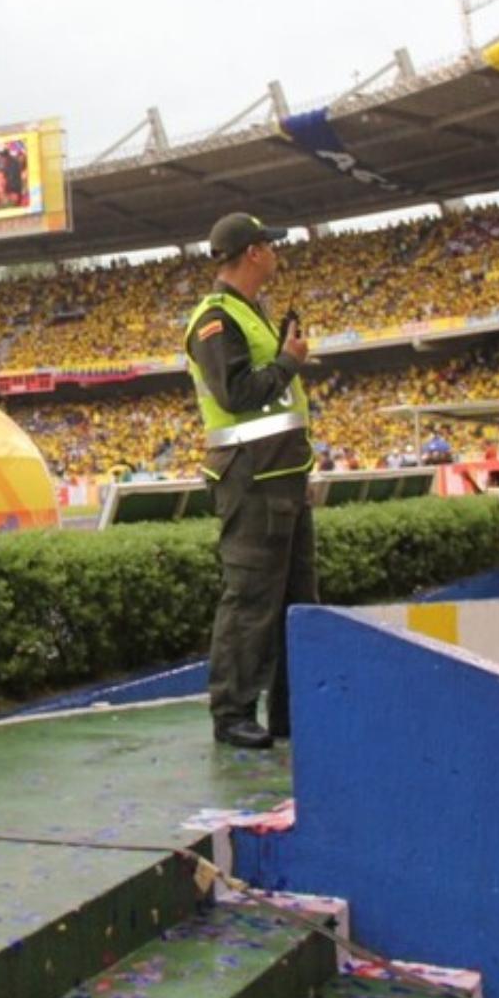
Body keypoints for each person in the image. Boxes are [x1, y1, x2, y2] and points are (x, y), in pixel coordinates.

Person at [184, 212, 318, 752]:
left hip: (283, 476)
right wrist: (288, 362)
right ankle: (232, 712)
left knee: (294, 601)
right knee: (250, 600)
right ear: (255, 252)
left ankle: (288, 710)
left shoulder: (250, 312)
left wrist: (285, 358)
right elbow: (235, 393)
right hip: (251, 478)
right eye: (271, 245)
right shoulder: (215, 319)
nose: (277, 254)